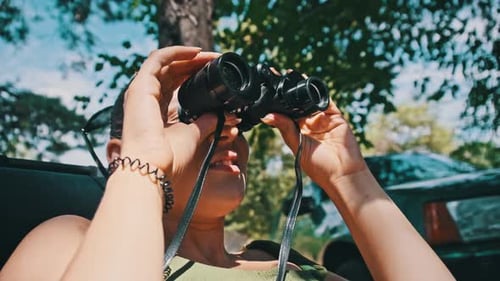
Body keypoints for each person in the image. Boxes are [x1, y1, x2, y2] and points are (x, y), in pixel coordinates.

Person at [0, 46, 455, 281]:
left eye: (237, 119)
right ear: (120, 152)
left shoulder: (293, 267)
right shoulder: (67, 239)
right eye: (196, 118)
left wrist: (351, 180)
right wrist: (143, 167)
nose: (228, 131)